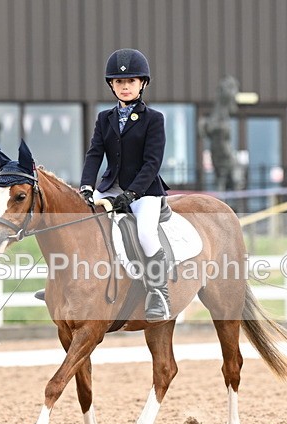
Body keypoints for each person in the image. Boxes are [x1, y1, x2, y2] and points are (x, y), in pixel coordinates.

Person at [79, 48, 172, 321]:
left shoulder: (154, 119)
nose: (125, 86)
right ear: (112, 85)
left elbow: (152, 163)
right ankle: (66, 284)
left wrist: (131, 194)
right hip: (111, 186)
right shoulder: (104, 118)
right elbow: (94, 154)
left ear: (142, 83)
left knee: (146, 234)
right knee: (79, 222)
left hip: (144, 191)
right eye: (119, 81)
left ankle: (158, 292)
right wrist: (86, 186)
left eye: (131, 81)